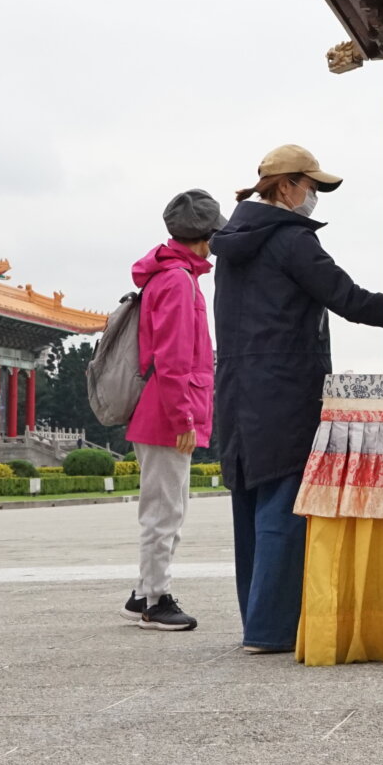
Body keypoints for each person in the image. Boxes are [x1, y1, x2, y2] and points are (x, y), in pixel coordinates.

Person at [212, 145, 383, 654]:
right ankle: (271, 629)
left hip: (238, 386)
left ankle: (256, 621)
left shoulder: (232, 244)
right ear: (285, 187)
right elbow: (350, 300)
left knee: (250, 501)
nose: (313, 197)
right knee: (284, 504)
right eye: (310, 187)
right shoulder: (291, 242)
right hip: (285, 385)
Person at [120, 188, 225, 632]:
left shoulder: (168, 275)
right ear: (207, 235)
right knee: (166, 512)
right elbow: (176, 356)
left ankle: (145, 590)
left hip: (160, 408)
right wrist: (185, 417)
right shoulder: (179, 281)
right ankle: (156, 600)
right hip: (169, 413)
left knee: (165, 507)